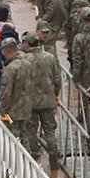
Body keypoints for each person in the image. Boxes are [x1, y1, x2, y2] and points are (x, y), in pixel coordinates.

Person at [22, 32, 61, 169]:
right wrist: (55, 95)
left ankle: (34, 157)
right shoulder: (49, 58)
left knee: (31, 130)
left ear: (28, 43)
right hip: (48, 100)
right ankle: (54, 158)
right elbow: (58, 79)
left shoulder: (24, 59)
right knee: (49, 130)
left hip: (31, 102)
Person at [0, 35, 36, 152]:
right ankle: (29, 162)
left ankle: (18, 167)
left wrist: (1, 110)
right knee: (25, 136)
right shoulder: (28, 64)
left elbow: (5, 92)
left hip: (13, 111)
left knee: (14, 140)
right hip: (27, 107)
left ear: (5, 51)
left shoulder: (10, 69)